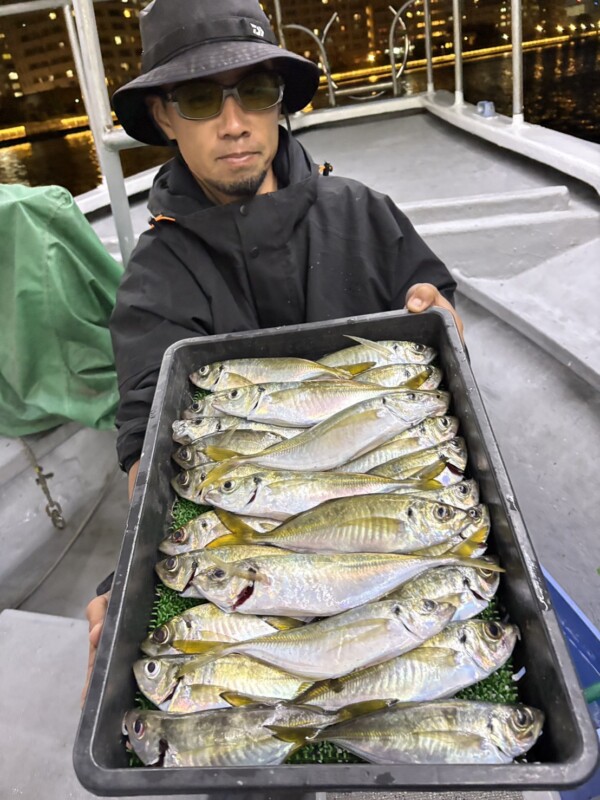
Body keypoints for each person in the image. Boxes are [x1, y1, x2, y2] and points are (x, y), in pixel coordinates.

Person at [83, 0, 463, 702]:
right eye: (200, 98)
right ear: (163, 116)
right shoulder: (153, 280)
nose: (234, 124)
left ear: (278, 99)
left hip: (385, 507)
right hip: (249, 544)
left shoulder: (365, 211)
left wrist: (441, 318)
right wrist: (133, 574)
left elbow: (437, 311)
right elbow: (148, 438)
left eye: (254, 90)